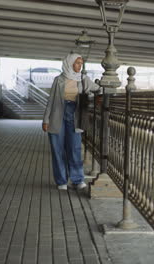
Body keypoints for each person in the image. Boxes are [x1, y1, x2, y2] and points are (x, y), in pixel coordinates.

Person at [42, 53, 100, 190]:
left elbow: (99, 89)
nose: (80, 66)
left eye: (81, 63)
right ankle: (61, 181)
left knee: (75, 148)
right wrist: (45, 119)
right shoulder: (58, 80)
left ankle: (77, 179)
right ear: (70, 63)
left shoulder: (83, 79)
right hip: (57, 114)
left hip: (75, 115)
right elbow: (51, 100)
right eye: (77, 63)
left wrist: (97, 94)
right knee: (57, 149)